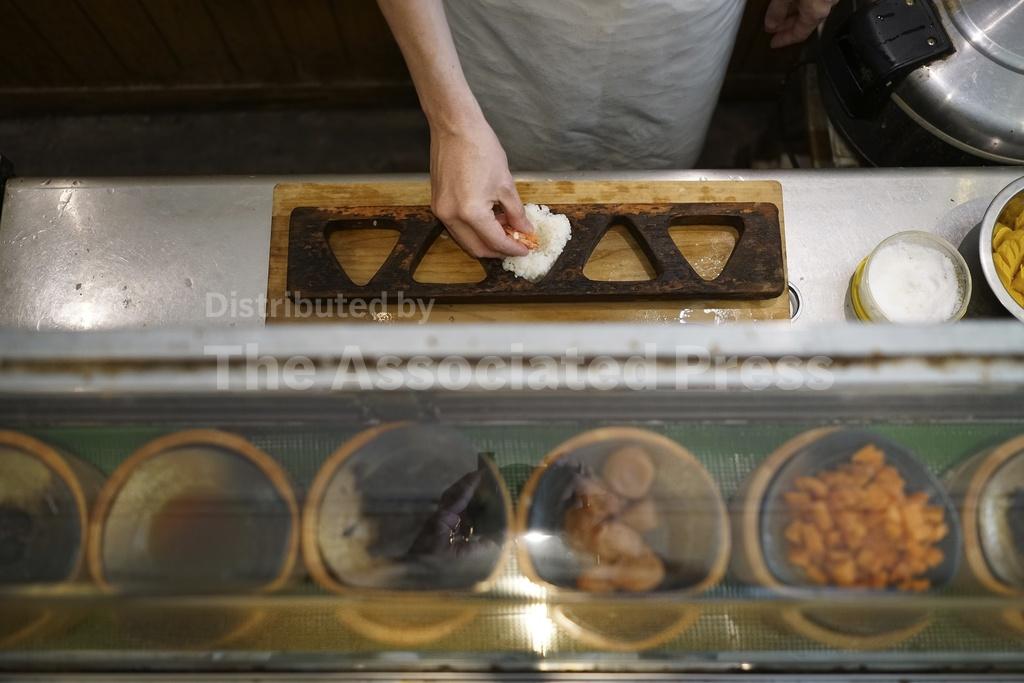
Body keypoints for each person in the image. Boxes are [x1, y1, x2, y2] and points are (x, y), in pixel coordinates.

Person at [377, 0, 838, 258]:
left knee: (661, 155)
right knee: (509, 160)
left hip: (681, 20)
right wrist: (453, 123)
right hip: (509, 19)